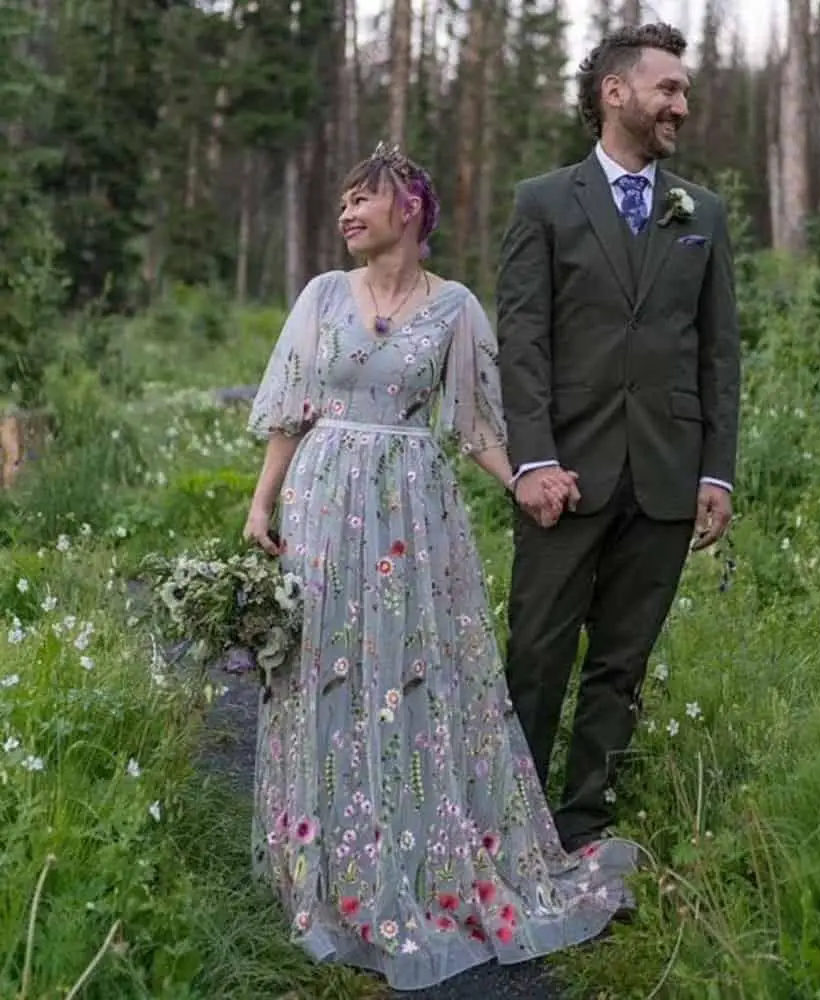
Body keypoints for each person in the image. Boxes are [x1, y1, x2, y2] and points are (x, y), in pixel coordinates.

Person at [241, 143, 625, 993]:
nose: (346, 214)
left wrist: (524, 483)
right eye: (342, 203)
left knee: (412, 676)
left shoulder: (454, 309)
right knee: (324, 673)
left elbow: (478, 425)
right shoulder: (320, 296)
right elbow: (290, 407)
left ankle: (418, 851)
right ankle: (326, 863)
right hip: (323, 503)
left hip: (413, 515)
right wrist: (262, 504)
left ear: (408, 209)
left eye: (361, 200)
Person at [497, 23, 741, 881]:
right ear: (615, 92)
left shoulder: (701, 213)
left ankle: (581, 828)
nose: (682, 103)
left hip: (669, 479)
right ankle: (510, 827)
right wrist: (530, 460)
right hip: (565, 477)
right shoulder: (543, 203)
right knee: (536, 652)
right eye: (668, 88)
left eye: (683, 89)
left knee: (622, 664)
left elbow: (718, 354)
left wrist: (716, 471)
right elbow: (521, 341)